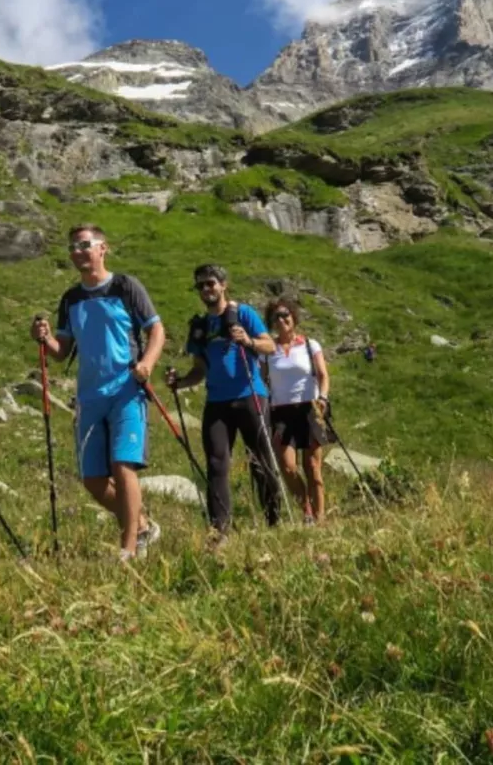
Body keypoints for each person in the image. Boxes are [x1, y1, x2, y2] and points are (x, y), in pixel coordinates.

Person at [30, 224, 166, 561]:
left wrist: (147, 363)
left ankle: (129, 548)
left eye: (84, 245)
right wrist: (44, 338)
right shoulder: (71, 298)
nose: (78, 252)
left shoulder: (125, 286)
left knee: (123, 466)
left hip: (126, 390)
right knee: (93, 480)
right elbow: (62, 351)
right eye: (73, 247)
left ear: (103, 248)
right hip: (89, 396)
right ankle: (144, 526)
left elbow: (156, 329)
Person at [164, 264, 282, 535]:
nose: (206, 289)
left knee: (260, 461)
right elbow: (199, 370)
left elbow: (270, 345)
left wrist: (248, 341)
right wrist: (180, 383)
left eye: (210, 283)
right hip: (217, 402)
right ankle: (220, 531)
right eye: (201, 285)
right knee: (217, 463)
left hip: (251, 396)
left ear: (223, 284)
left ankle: (273, 522)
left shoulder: (243, 314)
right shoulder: (200, 326)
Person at [262, 299, 331, 525]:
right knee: (288, 466)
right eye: (275, 317)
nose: (281, 320)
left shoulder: (311, 345)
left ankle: (320, 519)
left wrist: (323, 397)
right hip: (281, 411)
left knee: (312, 466)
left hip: (309, 408)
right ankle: (307, 510)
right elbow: (263, 380)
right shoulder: (268, 350)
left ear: (293, 317)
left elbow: (322, 374)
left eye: (285, 315)